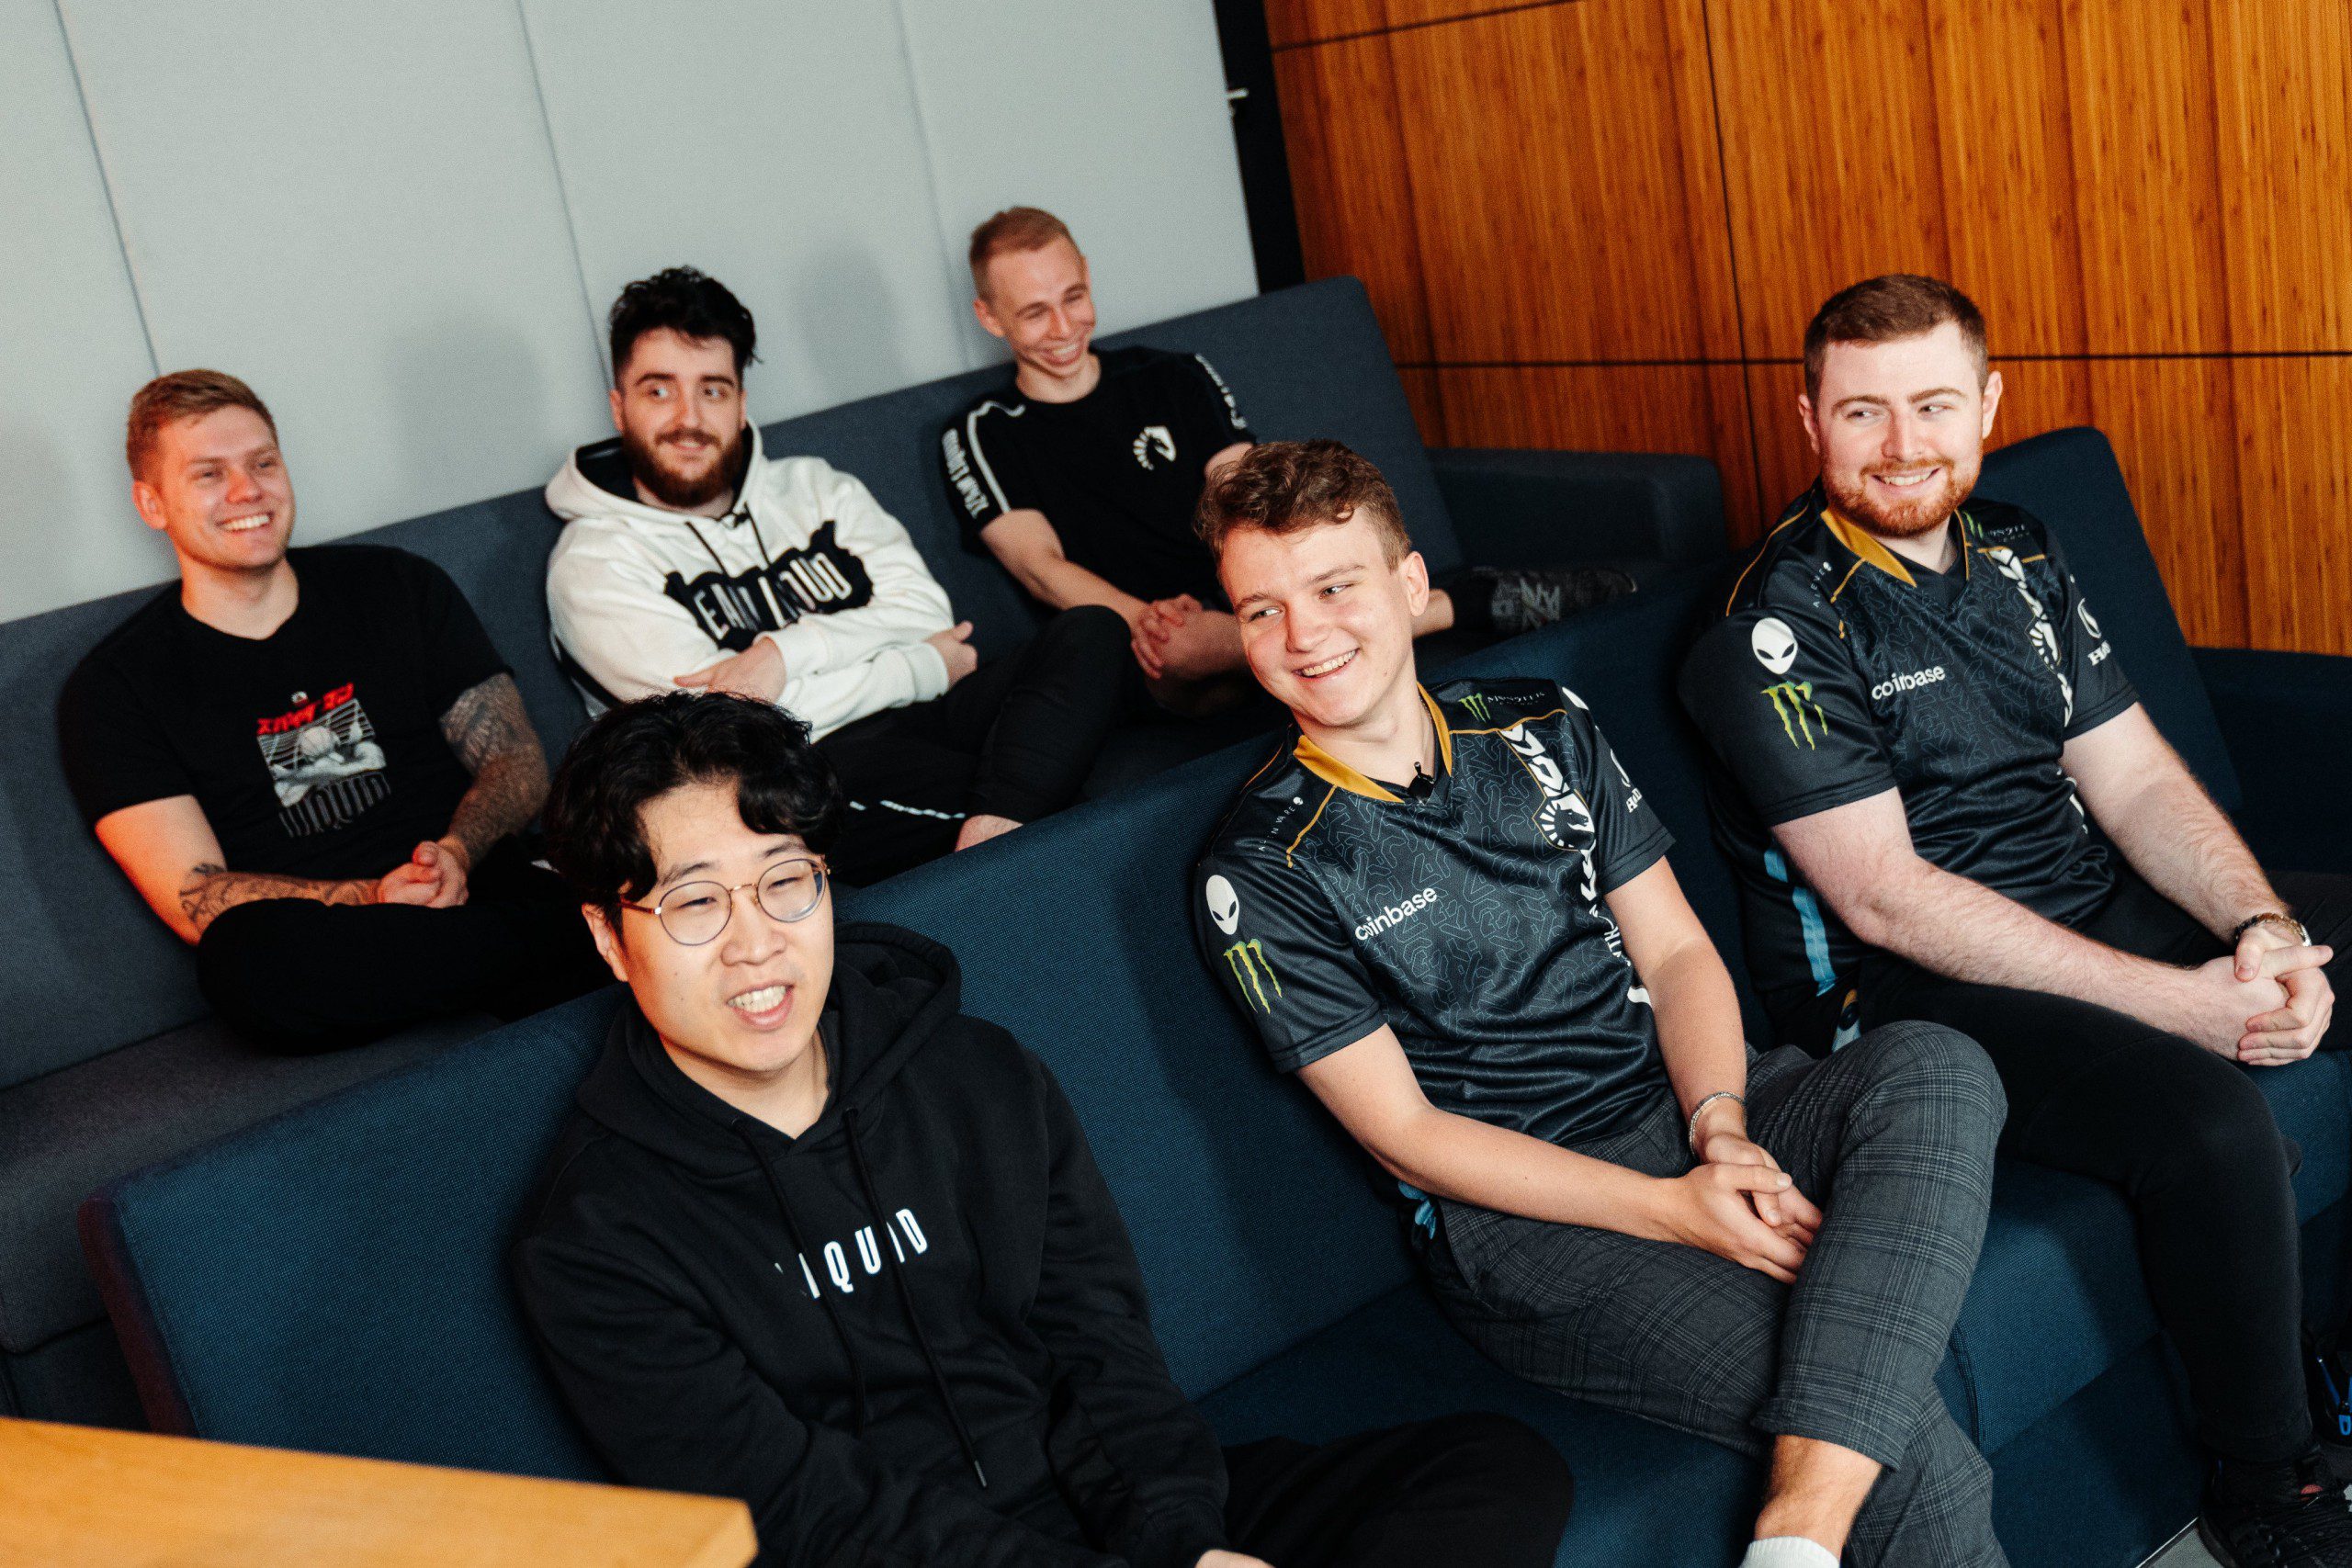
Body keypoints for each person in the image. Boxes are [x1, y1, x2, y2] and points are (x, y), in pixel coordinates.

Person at [514, 690, 1575, 1568]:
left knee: (1491, 1468)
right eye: (696, 904)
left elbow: (1101, 1343)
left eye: (785, 882)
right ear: (609, 937)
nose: (757, 944)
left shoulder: (975, 1076)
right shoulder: (595, 1238)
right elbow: (804, 1512)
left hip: (1107, 1508)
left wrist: (1182, 1545)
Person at [1190, 440, 2010, 1567]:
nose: (1304, 635)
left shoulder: (1537, 720)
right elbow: (1409, 1138)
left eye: (1334, 588)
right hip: (1527, 1221)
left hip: (1693, 1102)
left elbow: (1674, 953)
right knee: (1905, 1453)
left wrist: (1719, 1127)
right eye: (1262, 610)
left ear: (1411, 584)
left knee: (1936, 1062)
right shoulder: (1260, 865)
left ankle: (1794, 1525)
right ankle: (1798, 1536)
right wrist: (1675, 1210)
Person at [1679, 273, 2352, 1567]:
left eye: (1933, 405)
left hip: (2083, 902)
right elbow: (1884, 895)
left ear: (1988, 405)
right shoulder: (1772, 623)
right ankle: (2266, 1484)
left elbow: (2135, 778)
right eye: (1862, 412)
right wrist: (2180, 1005)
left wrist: (2263, 926)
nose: (1902, 444)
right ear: (1809, 420)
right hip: (1900, 994)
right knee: (2211, 1123)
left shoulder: (2018, 547)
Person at [57, 370, 604, 1051]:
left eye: (263, 463)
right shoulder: (114, 689)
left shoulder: (397, 586)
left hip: (473, 886)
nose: (247, 490)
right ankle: (555, 952)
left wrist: (457, 854)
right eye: (209, 474)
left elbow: (517, 763)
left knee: (566, 884)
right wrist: (377, 897)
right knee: (240, 960)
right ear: (151, 503)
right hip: (333, 940)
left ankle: (526, 952)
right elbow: (192, 896)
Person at [546, 266, 1127, 886]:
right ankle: (1013, 832)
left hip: (927, 713)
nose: (688, 418)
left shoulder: (816, 486)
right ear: (619, 407)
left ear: (741, 405)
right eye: (660, 391)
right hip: (792, 771)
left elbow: (925, 613)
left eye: (712, 390)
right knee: (1043, 783)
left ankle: (1001, 831)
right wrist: (925, 666)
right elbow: (724, 733)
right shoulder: (593, 562)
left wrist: (782, 656)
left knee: (1094, 630)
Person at [941, 206, 1628, 715]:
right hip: (1140, 637)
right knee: (1186, 652)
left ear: (1088, 278)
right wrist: (1148, 619)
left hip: (1249, 590)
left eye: (1073, 297)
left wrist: (1259, 600)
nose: (1064, 328)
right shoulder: (982, 432)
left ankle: (1287, 645)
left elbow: (1245, 490)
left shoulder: (1173, 374)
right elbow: (1040, 565)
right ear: (990, 317)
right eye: (1034, 313)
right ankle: (1456, 604)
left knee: (1304, 583)